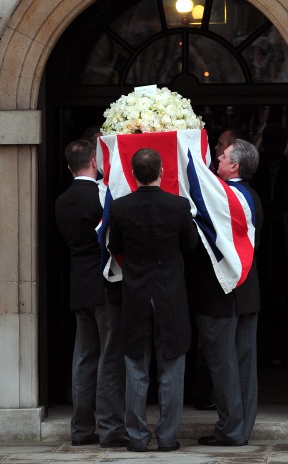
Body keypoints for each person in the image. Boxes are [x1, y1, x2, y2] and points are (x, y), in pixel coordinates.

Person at [108, 148, 198, 452]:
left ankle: (136, 437)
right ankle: (168, 437)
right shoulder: (178, 205)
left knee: (136, 364)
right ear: (161, 171)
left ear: (134, 175)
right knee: (172, 365)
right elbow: (191, 244)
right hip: (169, 291)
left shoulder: (120, 208)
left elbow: (115, 245)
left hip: (136, 292)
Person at [187, 139, 263, 446]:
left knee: (224, 365)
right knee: (243, 364)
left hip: (221, 295)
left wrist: (188, 157)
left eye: (224, 155)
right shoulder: (251, 196)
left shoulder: (225, 196)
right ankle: (241, 428)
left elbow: (199, 189)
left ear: (235, 166)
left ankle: (231, 431)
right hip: (246, 292)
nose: (218, 157)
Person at [55, 139, 128, 448]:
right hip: (104, 285)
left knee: (84, 358)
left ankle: (82, 429)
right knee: (109, 358)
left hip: (79, 286)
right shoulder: (100, 196)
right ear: (95, 162)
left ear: (69, 166)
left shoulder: (62, 200)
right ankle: (111, 429)